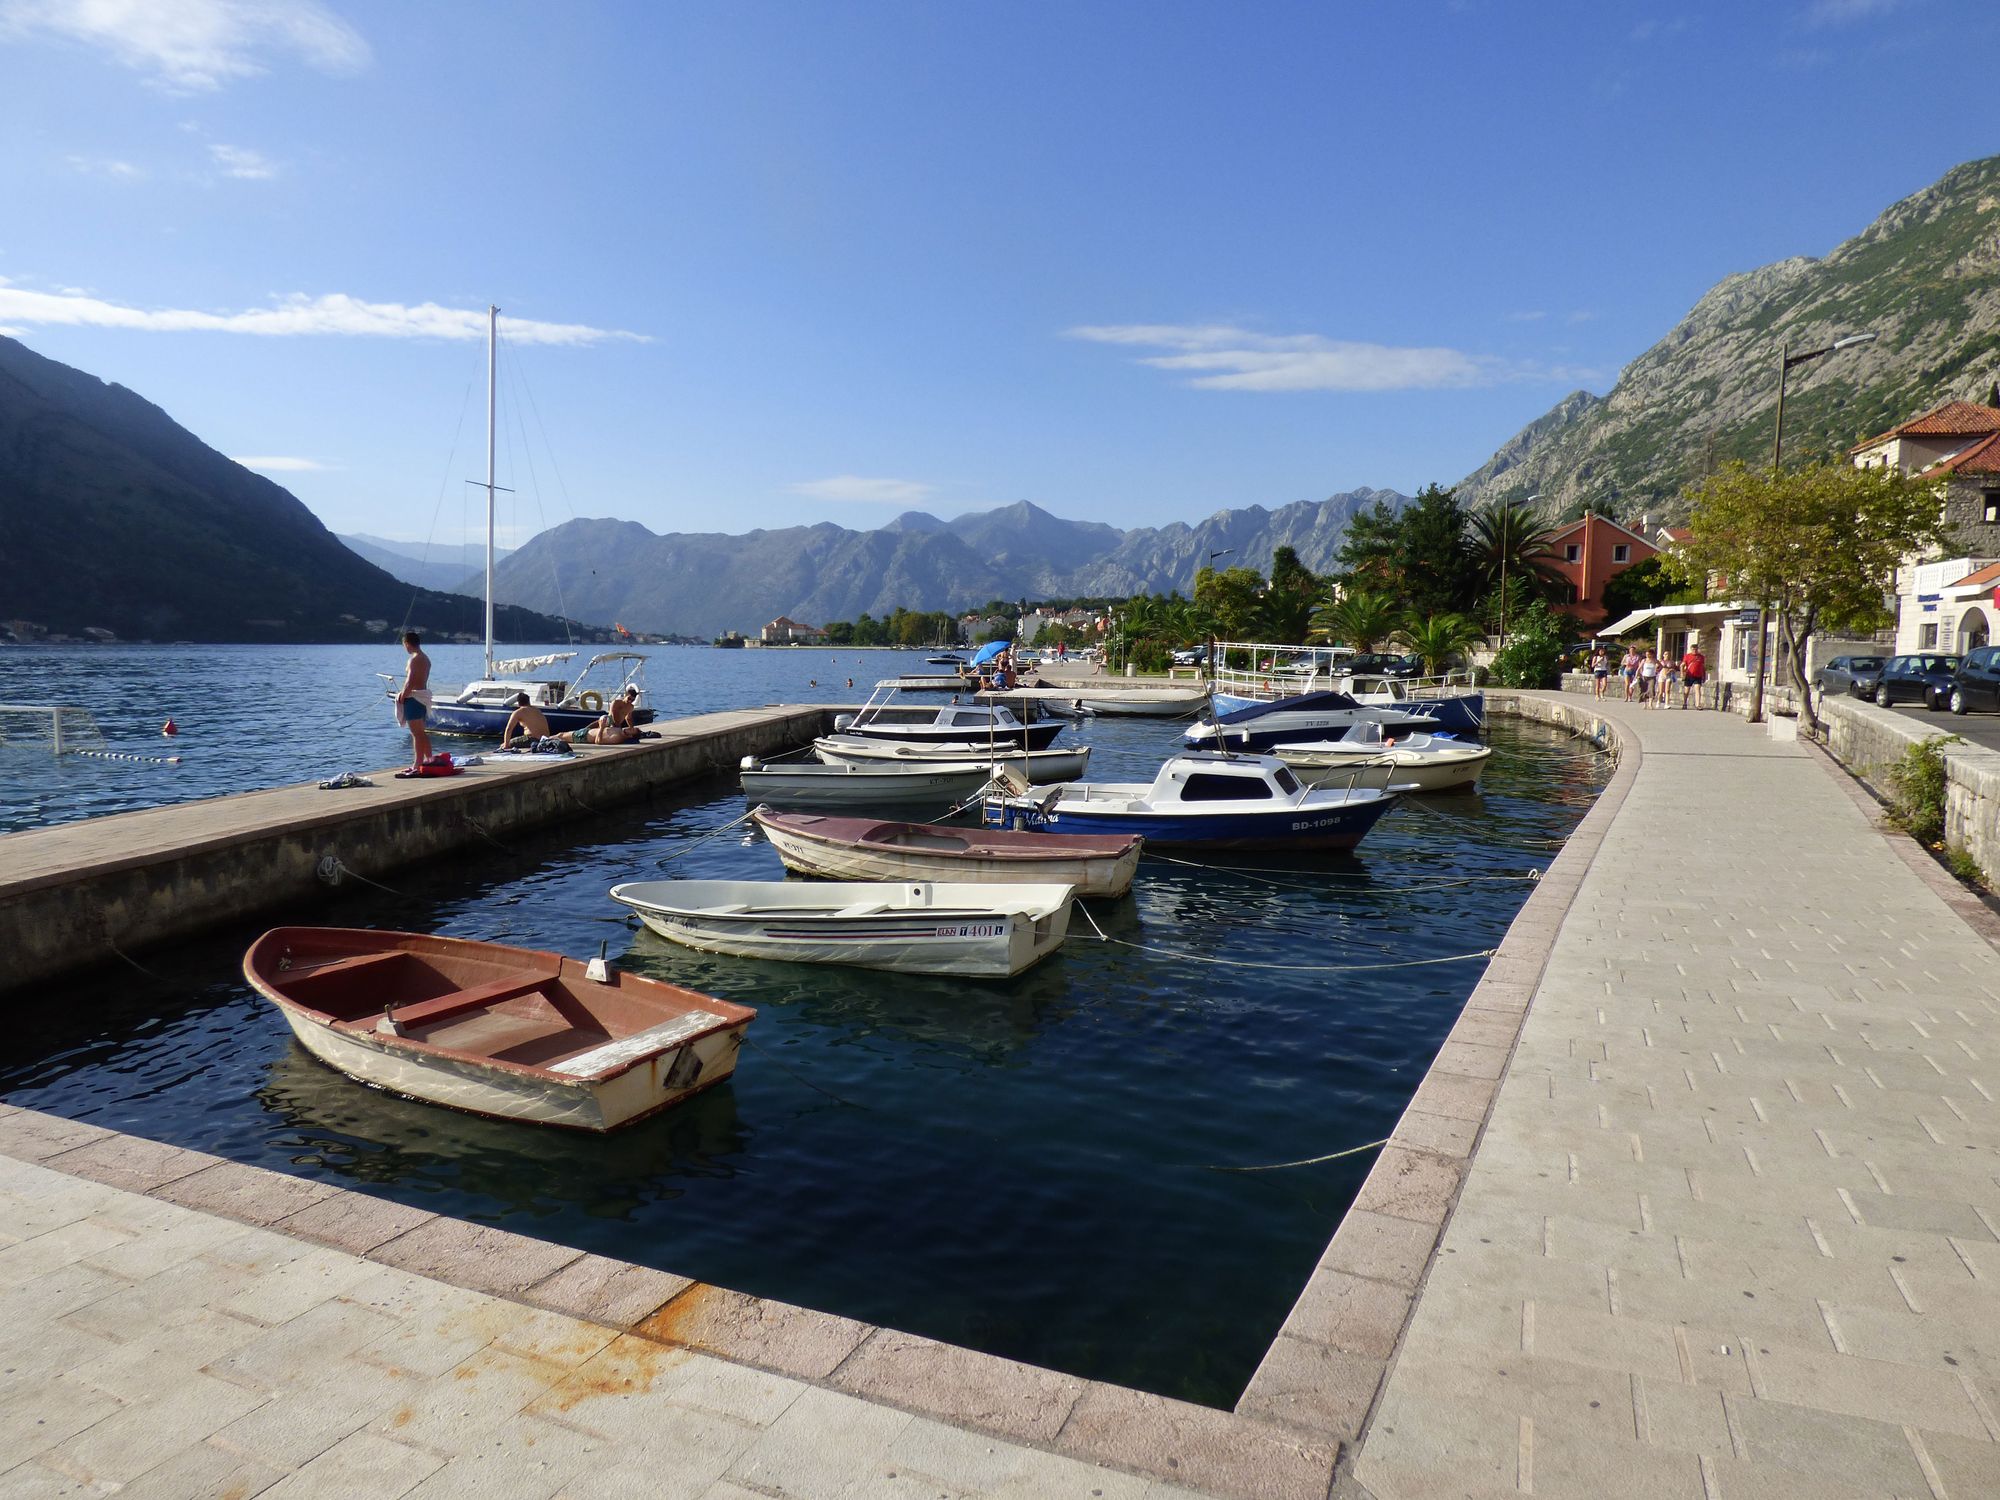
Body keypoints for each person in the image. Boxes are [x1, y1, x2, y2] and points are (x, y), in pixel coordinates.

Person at [396, 631, 433, 768]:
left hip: (414, 697)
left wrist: (403, 695)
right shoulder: (425, 658)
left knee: (416, 733)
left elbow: (410, 681)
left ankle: (417, 763)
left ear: (407, 644)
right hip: (422, 696)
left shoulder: (414, 659)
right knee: (421, 731)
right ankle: (430, 759)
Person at [1681, 641, 1707, 709]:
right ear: (1691, 649)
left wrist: (1704, 676)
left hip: (1698, 675)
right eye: (1693, 649)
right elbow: (1682, 665)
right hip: (1689, 675)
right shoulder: (1687, 656)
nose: (1694, 651)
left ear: (1697, 649)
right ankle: (1684, 703)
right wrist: (1682, 673)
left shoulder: (1701, 657)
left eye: (1696, 649)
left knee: (1697, 689)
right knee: (1687, 690)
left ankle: (1698, 704)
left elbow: (1703, 667)